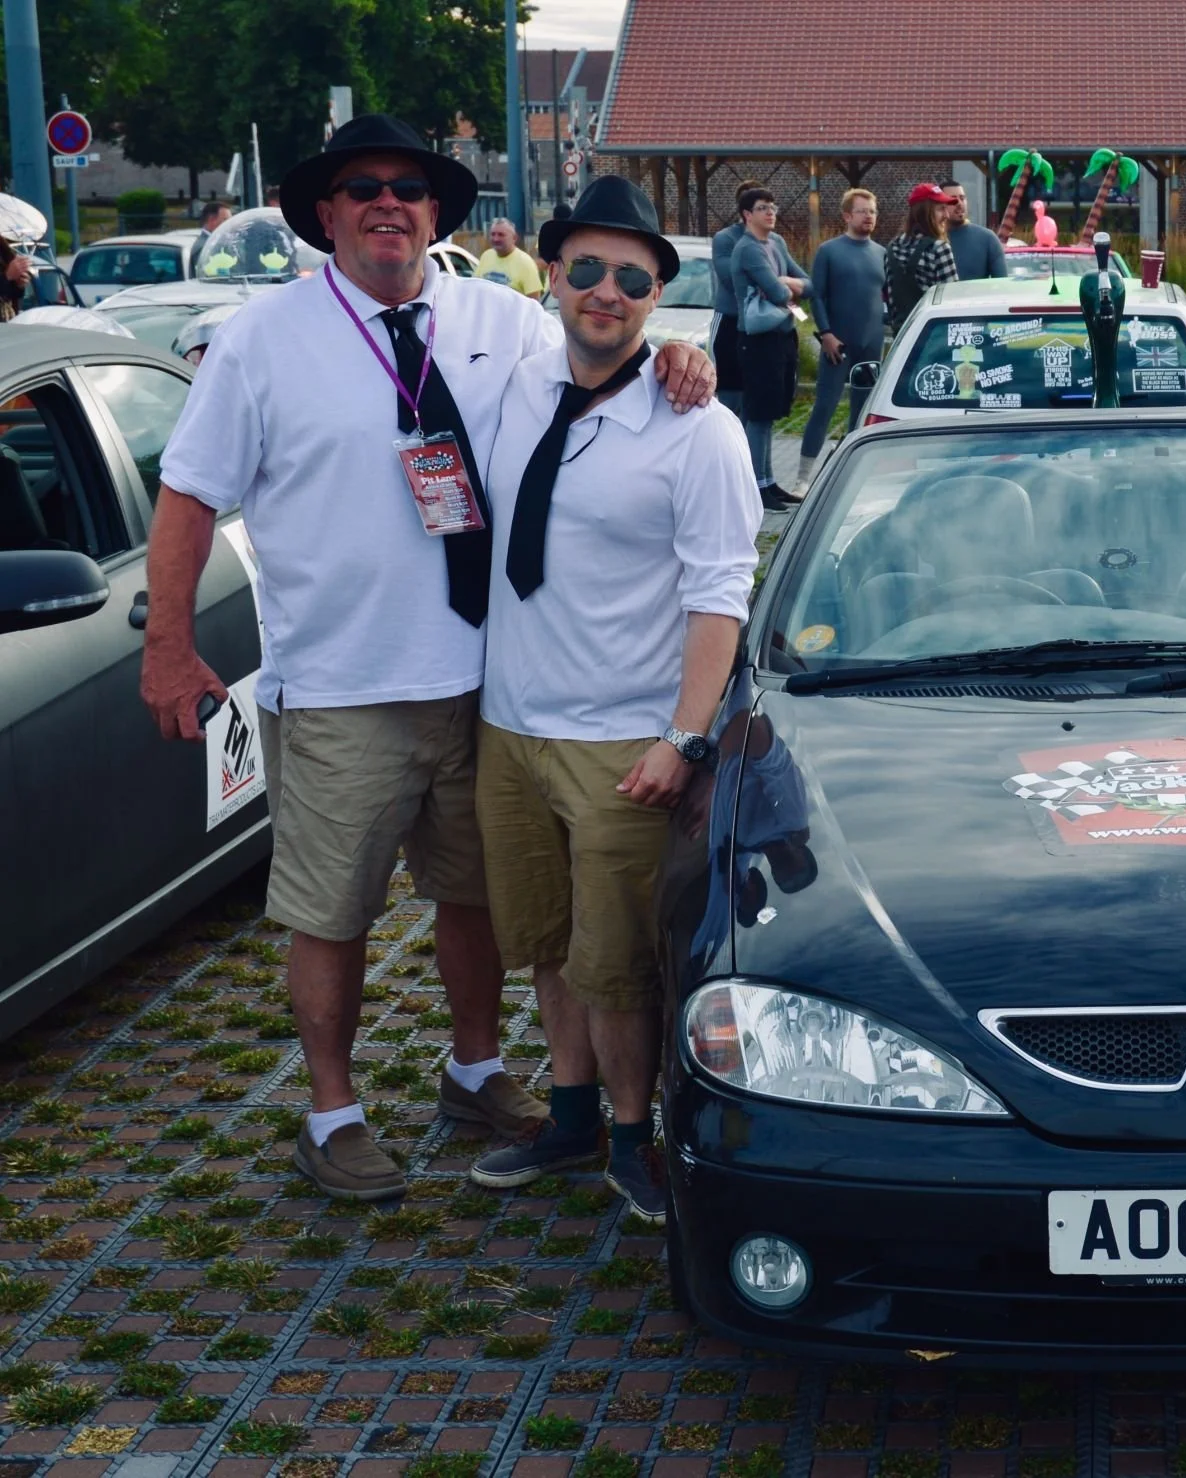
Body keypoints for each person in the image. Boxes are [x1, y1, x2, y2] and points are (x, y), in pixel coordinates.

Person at [140, 114, 715, 1203]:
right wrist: (168, 643)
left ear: (439, 211)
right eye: (364, 188)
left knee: (477, 902)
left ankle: (475, 1069)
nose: (388, 204)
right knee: (334, 909)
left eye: (409, 187)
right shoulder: (264, 339)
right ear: (326, 213)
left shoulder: (503, 318)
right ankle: (332, 1109)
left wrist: (685, 352)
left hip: (485, 681)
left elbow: (611, 355)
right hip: (343, 682)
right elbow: (189, 494)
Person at [467, 175, 760, 1215]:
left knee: (620, 960)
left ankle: (636, 1136)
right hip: (511, 729)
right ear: (550, 274)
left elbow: (721, 596)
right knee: (548, 943)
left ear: (657, 296)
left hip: (622, 738)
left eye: (631, 277)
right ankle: (574, 1113)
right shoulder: (516, 380)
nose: (605, 290)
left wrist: (685, 738)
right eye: (585, 268)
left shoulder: (697, 426)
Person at [799, 188, 885, 494]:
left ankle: (851, 477)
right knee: (825, 406)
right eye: (862, 211)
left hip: (870, 344)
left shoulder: (880, 253)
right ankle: (803, 477)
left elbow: (883, 298)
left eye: (873, 211)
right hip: (838, 344)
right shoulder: (829, 251)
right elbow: (817, 296)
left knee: (862, 412)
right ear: (847, 216)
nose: (869, 217)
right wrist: (826, 334)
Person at [731, 185, 810, 509]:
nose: (771, 212)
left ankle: (769, 481)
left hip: (782, 335)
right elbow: (779, 295)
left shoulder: (776, 242)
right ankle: (755, 486)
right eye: (763, 207)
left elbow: (808, 282)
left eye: (773, 206)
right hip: (758, 341)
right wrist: (787, 287)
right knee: (759, 415)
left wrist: (787, 284)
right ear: (747, 215)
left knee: (772, 412)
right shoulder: (747, 249)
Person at [710, 181, 762, 417]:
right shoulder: (725, 239)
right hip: (731, 321)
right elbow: (732, 279)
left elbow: (792, 279)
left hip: (762, 328)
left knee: (759, 405)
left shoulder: (773, 241)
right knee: (730, 396)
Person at [884, 183, 959, 333]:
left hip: (902, 339)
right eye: (940, 209)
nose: (947, 215)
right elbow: (953, 303)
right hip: (933, 337)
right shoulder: (939, 248)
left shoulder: (892, 249)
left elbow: (892, 303)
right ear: (923, 213)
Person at [941, 179, 1006, 280]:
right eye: (952, 200)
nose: (959, 203)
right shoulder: (931, 240)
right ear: (940, 205)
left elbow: (1002, 284)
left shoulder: (987, 239)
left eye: (962, 198)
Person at [476, 218, 545, 298]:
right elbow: (476, 286)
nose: (496, 239)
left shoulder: (525, 263)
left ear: (514, 238)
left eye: (501, 235)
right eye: (493, 234)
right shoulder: (486, 256)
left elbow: (534, 301)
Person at [189, 201, 231, 275]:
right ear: (211, 220)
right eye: (225, 220)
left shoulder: (213, 243)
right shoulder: (204, 248)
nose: (229, 224)